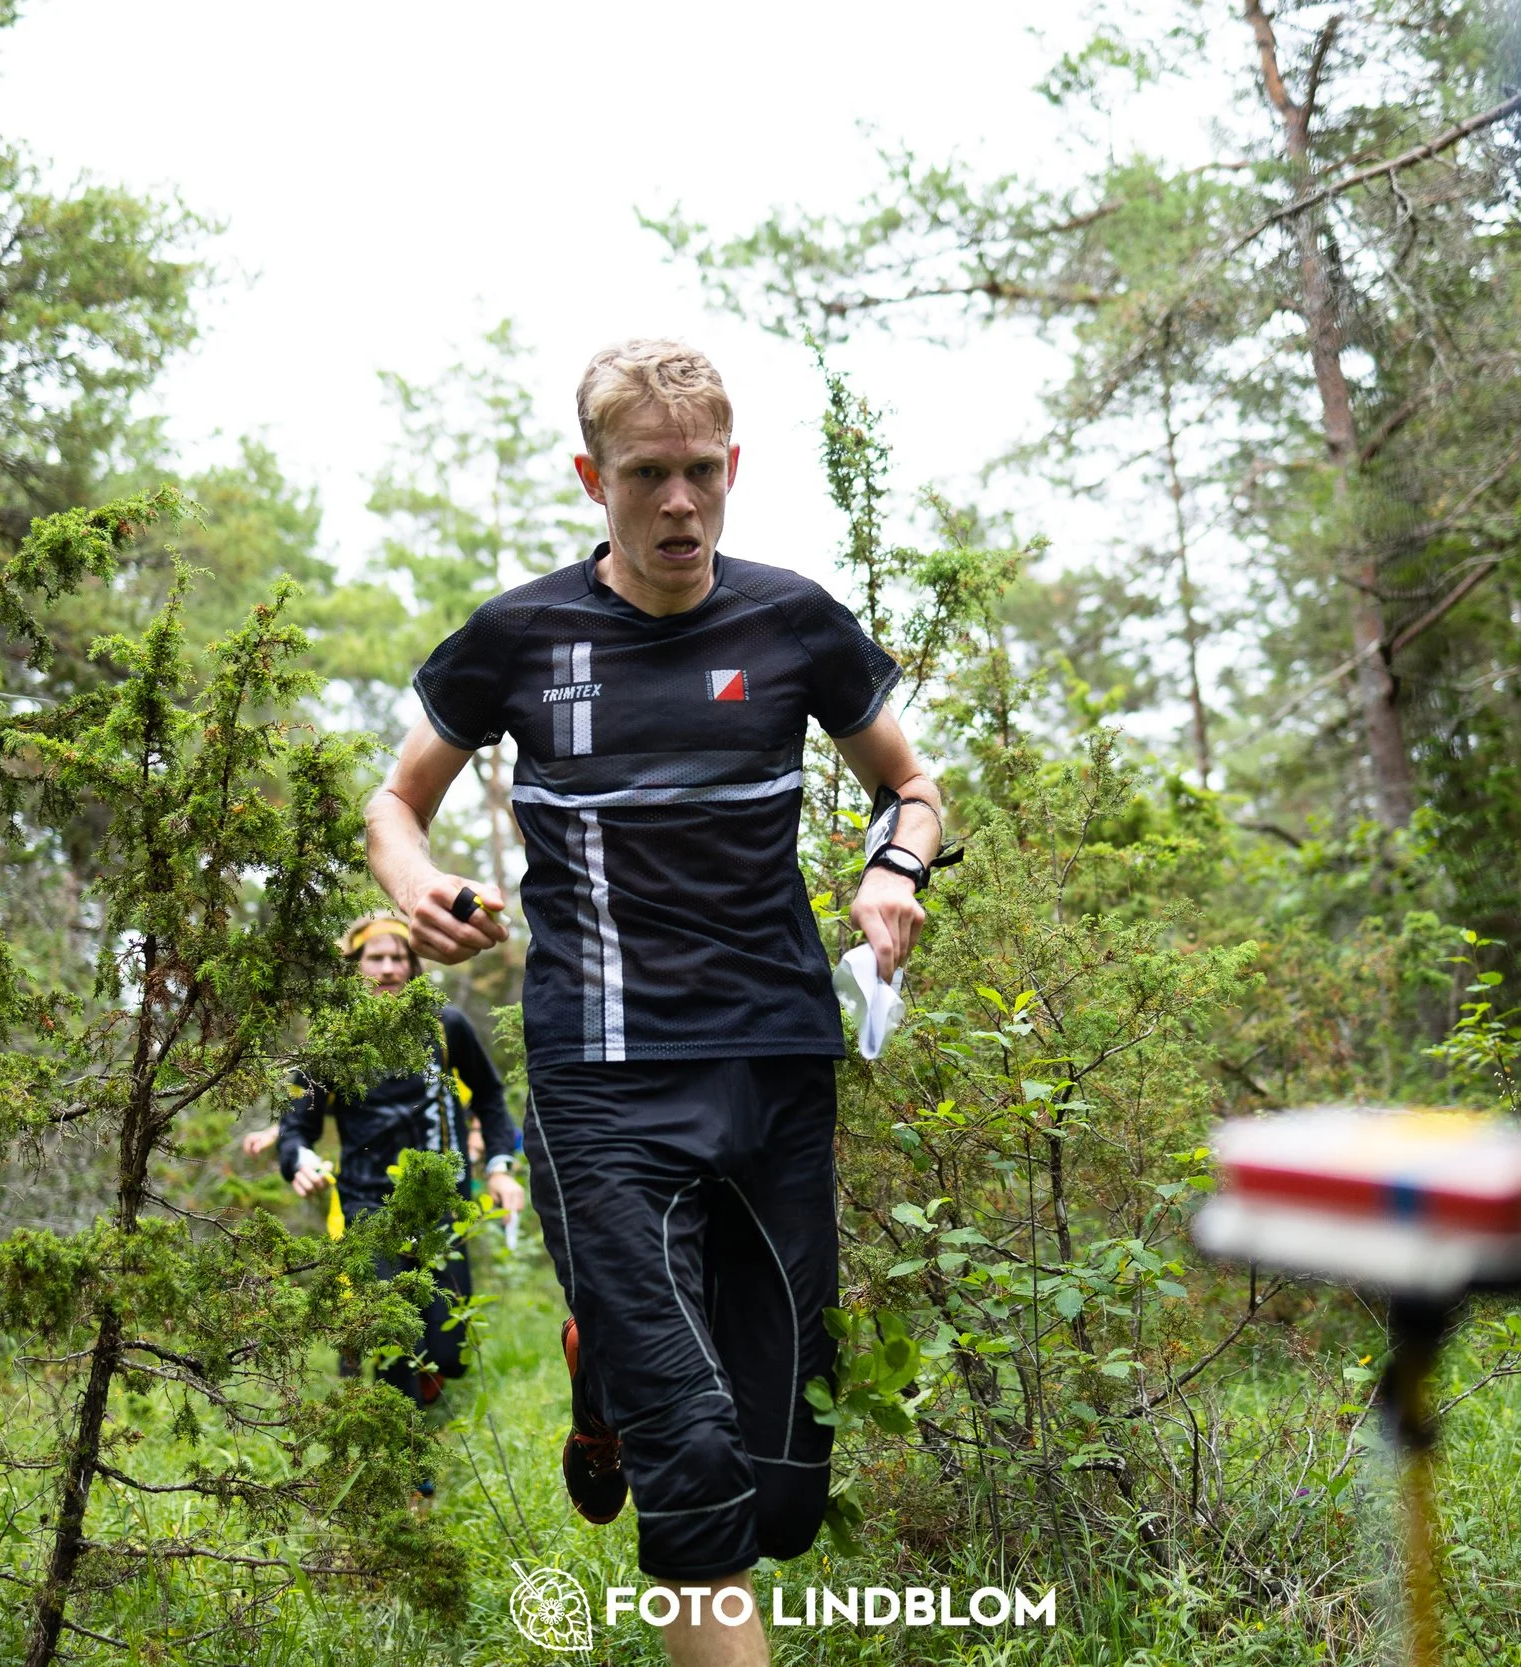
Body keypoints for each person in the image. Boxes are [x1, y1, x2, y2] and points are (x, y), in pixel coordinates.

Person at [365, 340, 944, 1667]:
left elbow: (909, 783)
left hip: (779, 1068)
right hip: (606, 1079)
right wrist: (422, 884)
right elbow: (398, 802)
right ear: (594, 478)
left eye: (700, 473)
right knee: (696, 1468)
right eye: (646, 475)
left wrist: (893, 871)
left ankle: (603, 1357)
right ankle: (632, 1373)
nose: (679, 504)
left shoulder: (795, 622)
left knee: (785, 1484)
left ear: (731, 468)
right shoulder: (521, 637)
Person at [255, 915, 526, 1409]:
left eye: (398, 958)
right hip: (367, 1204)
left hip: (443, 1204)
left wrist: (501, 1166)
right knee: (396, 1334)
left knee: (449, 1350)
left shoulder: (446, 1026)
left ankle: (421, 1397)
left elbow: (489, 1097)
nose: (388, 968)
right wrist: (299, 1162)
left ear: (414, 964)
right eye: (375, 958)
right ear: (356, 967)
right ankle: (407, 1466)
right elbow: (298, 1125)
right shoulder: (335, 1041)